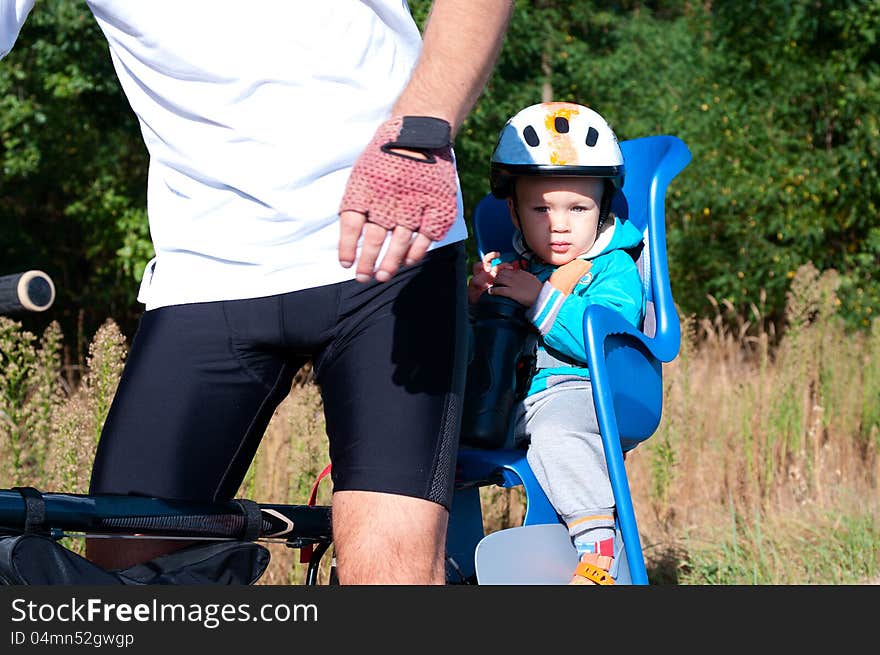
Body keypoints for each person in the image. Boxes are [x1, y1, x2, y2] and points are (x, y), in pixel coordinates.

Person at [1, 0, 514, 584]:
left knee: (390, 570)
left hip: (389, 237)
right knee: (120, 575)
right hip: (205, 266)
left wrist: (420, 133)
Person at [467, 102, 646, 584]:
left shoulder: (613, 268)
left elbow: (606, 335)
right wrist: (476, 303)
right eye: (540, 208)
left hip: (586, 392)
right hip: (512, 401)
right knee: (435, 437)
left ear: (602, 208)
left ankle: (598, 546)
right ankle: (448, 556)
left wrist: (540, 298)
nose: (559, 224)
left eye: (577, 208)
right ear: (513, 210)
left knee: (557, 432)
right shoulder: (515, 268)